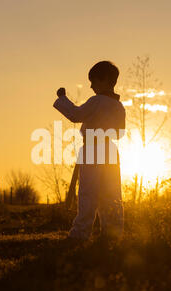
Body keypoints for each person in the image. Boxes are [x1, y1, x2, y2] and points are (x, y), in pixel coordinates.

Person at [53, 61, 126, 240]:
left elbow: (76, 115)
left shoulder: (96, 101)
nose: (91, 85)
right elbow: (120, 133)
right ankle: (113, 232)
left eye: (93, 81)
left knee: (88, 193)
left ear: (105, 80)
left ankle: (80, 232)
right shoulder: (119, 106)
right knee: (111, 193)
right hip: (110, 150)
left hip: (93, 149)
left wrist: (63, 99)